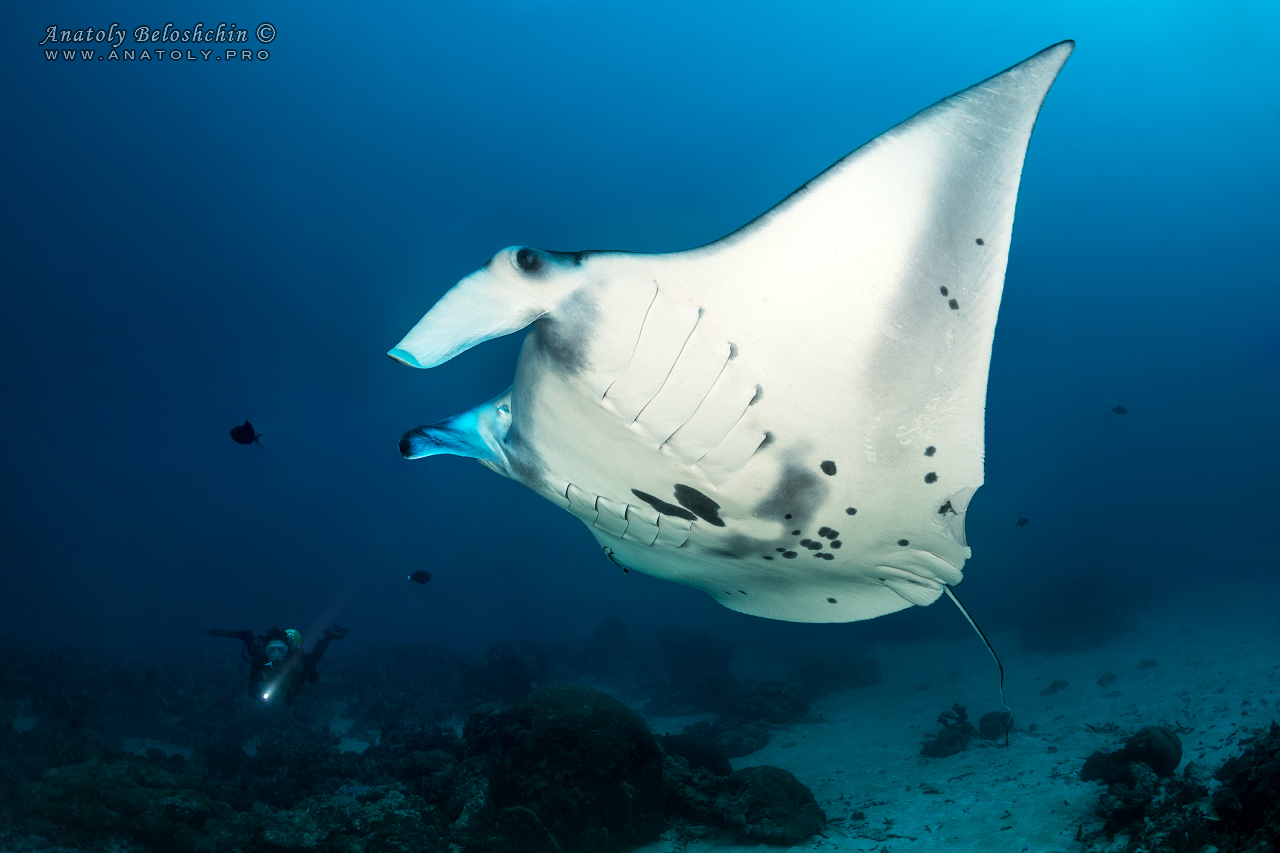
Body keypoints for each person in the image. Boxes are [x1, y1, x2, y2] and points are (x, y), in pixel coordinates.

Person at [206, 624, 349, 705]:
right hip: (272, 670)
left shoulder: (297, 660)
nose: (276, 655)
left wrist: (309, 671)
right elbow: (252, 687)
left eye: (280, 650)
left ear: (287, 651)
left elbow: (314, 675)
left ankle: (248, 640)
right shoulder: (264, 661)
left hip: (291, 671)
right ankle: (248, 639)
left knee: (307, 663)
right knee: (258, 660)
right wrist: (257, 694)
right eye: (271, 650)